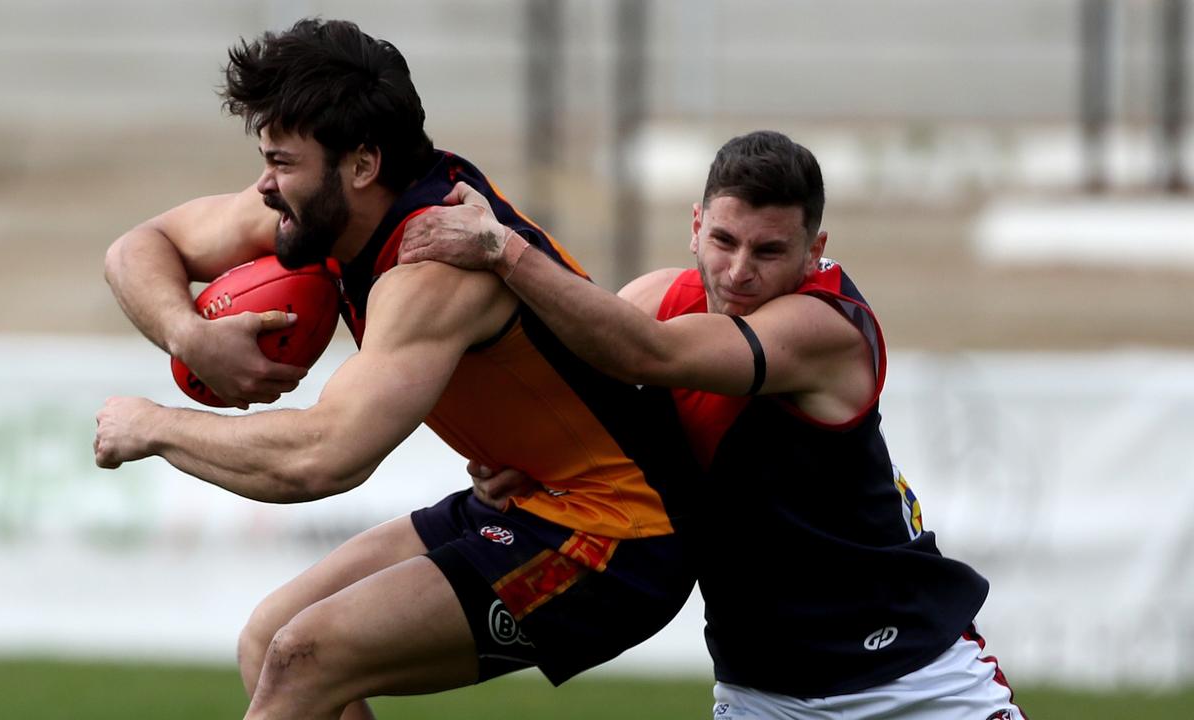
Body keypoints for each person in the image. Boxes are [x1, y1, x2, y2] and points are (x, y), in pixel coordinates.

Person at [92, 19, 698, 720]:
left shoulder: (433, 267)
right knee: (268, 642)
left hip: (622, 531)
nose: (263, 185)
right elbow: (139, 246)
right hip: (530, 495)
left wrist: (156, 427)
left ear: (361, 165)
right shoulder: (321, 214)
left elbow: (324, 460)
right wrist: (188, 335)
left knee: (303, 659)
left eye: (283, 162)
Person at [398, 130, 1026, 720]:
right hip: (762, 690)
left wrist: (502, 245)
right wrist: (514, 462)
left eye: (770, 250)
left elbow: (648, 355)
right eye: (725, 240)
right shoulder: (654, 303)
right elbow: (571, 400)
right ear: (695, 228)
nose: (739, 271)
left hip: (914, 681)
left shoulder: (823, 329)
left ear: (815, 252)